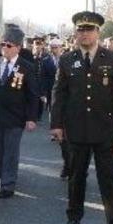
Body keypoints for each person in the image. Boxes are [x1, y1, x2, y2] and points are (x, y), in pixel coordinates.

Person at [50, 11, 113, 224]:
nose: (84, 34)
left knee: (109, 179)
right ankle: (74, 216)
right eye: (80, 29)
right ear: (75, 33)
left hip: (105, 129)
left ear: (98, 32)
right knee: (77, 176)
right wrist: (56, 124)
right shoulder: (67, 60)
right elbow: (59, 94)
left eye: (89, 29)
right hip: (76, 129)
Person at [0, 35, 39, 198]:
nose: (4, 47)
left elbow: (32, 95)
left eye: (9, 45)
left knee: (11, 151)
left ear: (18, 48)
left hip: (15, 117)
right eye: (2, 44)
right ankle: (2, 175)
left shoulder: (26, 67)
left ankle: (8, 184)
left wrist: (31, 118)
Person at [47, 38, 71, 178]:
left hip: (78, 112)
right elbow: (58, 90)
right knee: (65, 143)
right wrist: (55, 123)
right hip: (64, 108)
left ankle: (76, 169)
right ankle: (67, 164)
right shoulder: (65, 62)